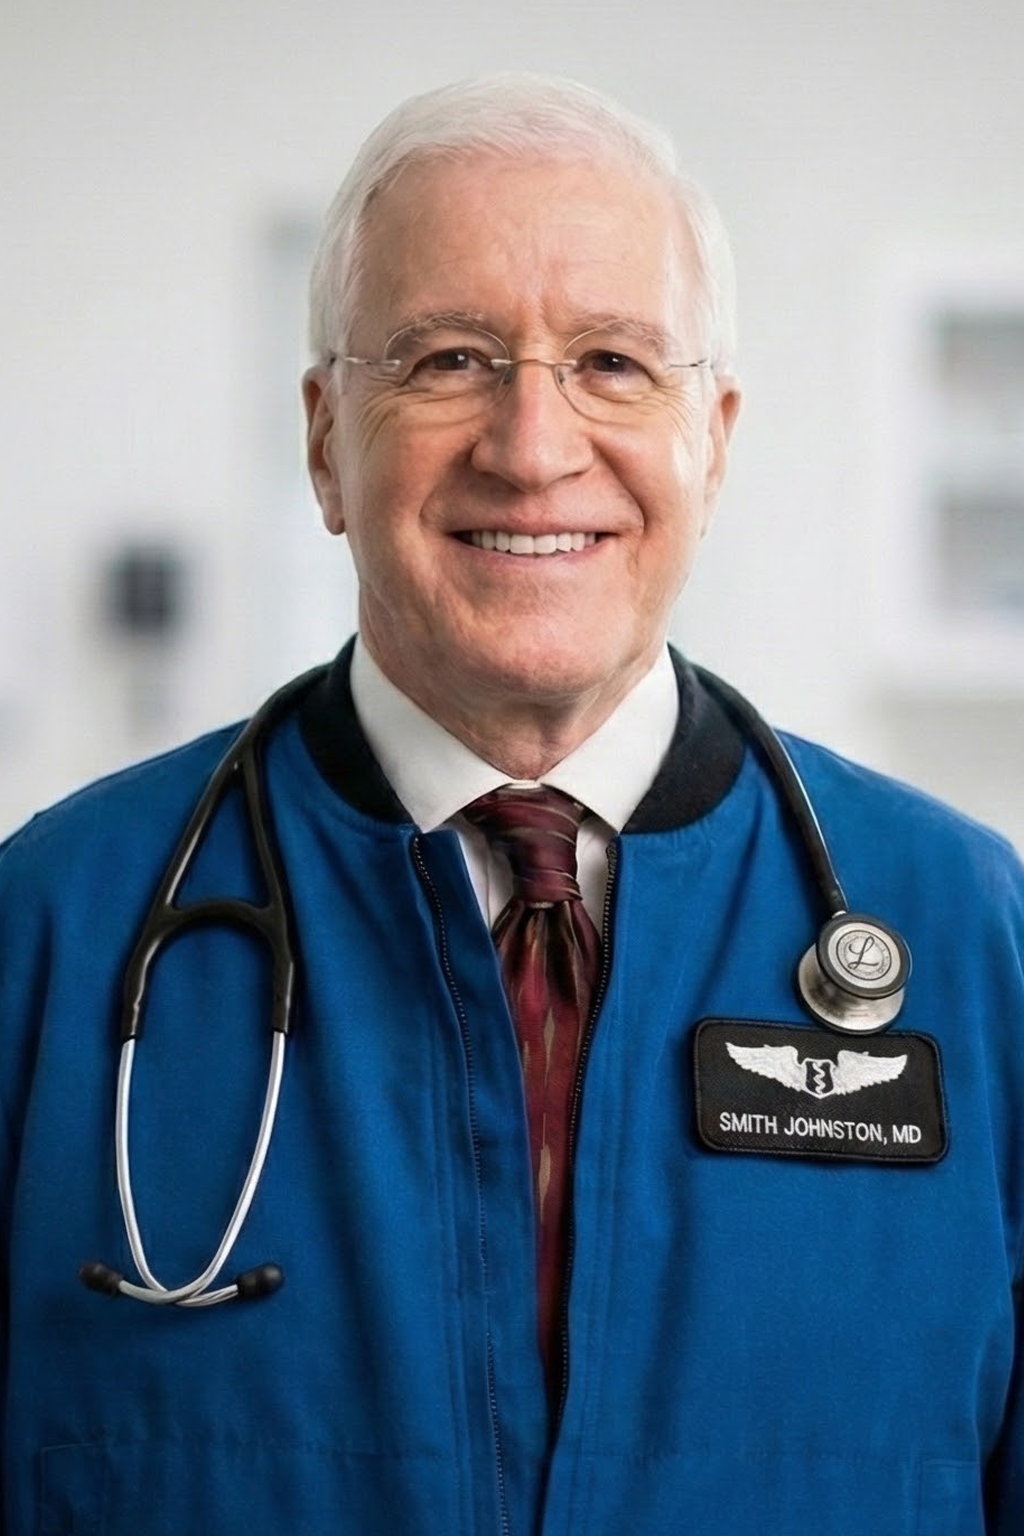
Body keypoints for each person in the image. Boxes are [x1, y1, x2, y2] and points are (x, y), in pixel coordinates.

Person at [1, 74, 1023, 1536]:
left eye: (613, 361)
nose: (532, 445)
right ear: (323, 441)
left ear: (714, 439)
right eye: (449, 359)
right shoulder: (47, 938)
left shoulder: (976, 942)